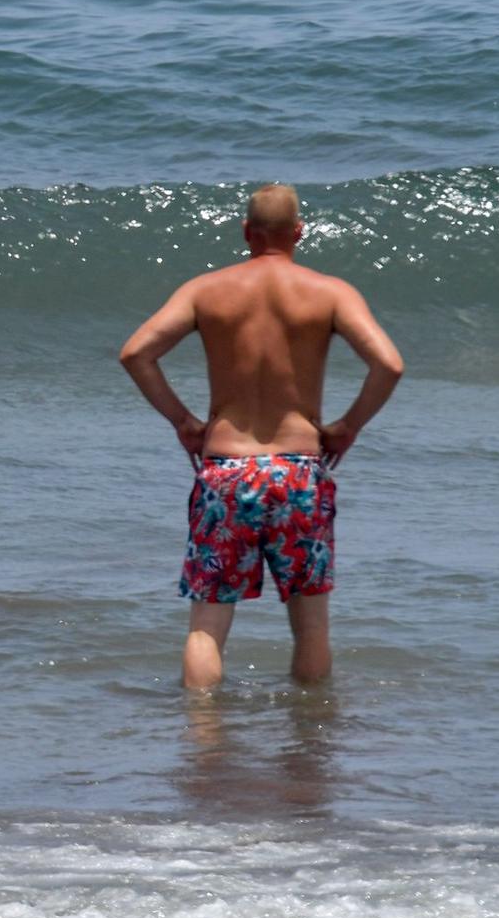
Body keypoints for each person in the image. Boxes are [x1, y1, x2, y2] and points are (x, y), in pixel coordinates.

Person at [118, 184, 403, 689]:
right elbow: (388, 364)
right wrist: (348, 426)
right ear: (299, 232)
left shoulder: (204, 291)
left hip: (226, 473)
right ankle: (310, 743)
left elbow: (136, 353)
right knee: (311, 625)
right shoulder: (331, 292)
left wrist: (183, 422)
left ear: (246, 232)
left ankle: (204, 741)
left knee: (207, 627)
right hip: (297, 474)